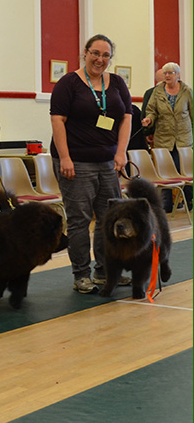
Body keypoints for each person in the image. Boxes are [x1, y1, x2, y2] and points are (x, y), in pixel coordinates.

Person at [49, 34, 132, 294]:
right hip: (76, 162)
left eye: (106, 55)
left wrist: (121, 152)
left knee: (110, 219)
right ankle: (81, 275)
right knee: (79, 221)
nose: (100, 59)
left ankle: (105, 271)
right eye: (95, 53)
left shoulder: (117, 82)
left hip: (109, 162)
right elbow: (57, 121)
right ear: (85, 53)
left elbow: (126, 118)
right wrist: (65, 157)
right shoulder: (68, 83)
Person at [141, 62, 194, 211]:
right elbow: (151, 110)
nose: (167, 76)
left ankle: (189, 200)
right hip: (163, 137)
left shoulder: (187, 91)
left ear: (178, 75)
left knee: (183, 169)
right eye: (165, 73)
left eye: (171, 73)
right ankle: (167, 204)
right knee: (164, 171)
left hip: (183, 138)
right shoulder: (157, 92)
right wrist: (149, 119)